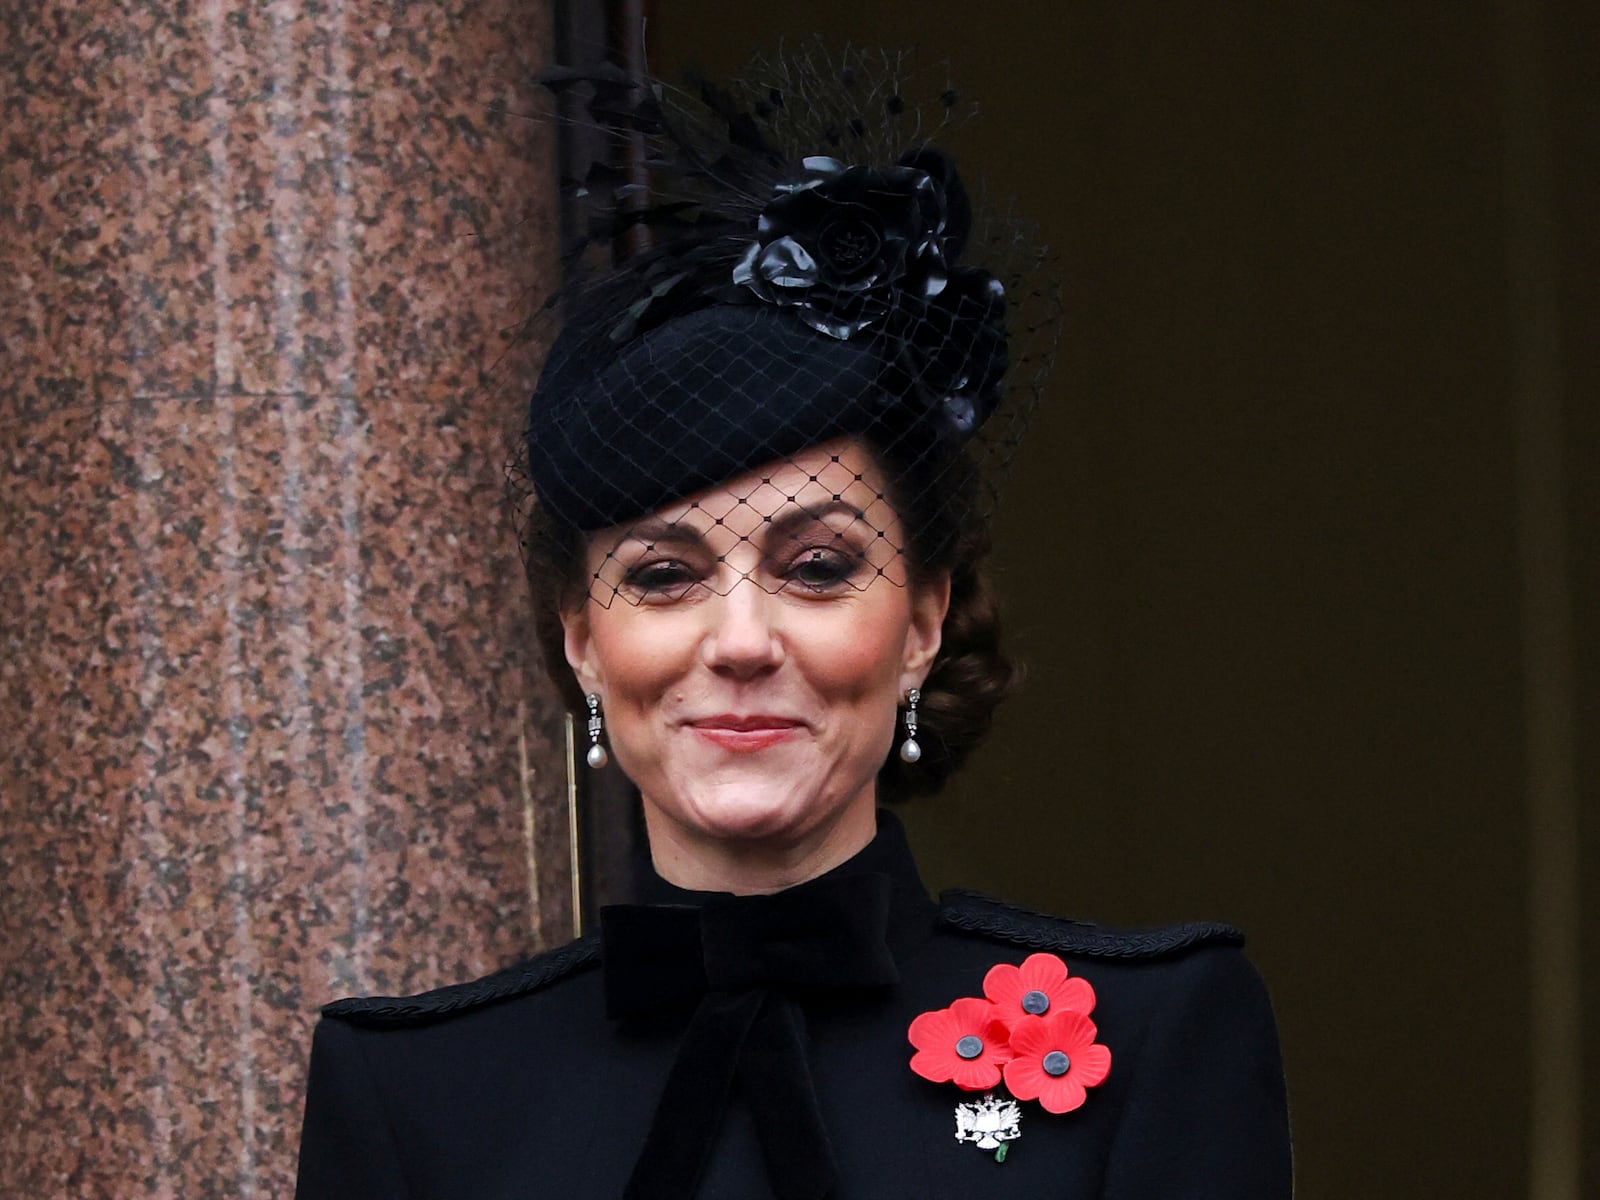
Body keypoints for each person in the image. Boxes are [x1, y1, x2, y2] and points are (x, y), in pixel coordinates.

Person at [294, 47, 1291, 1199]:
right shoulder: (419, 1092)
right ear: (580, 639)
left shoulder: (1153, 1039)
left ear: (923, 620)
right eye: (663, 576)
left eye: (816, 567)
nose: (740, 638)